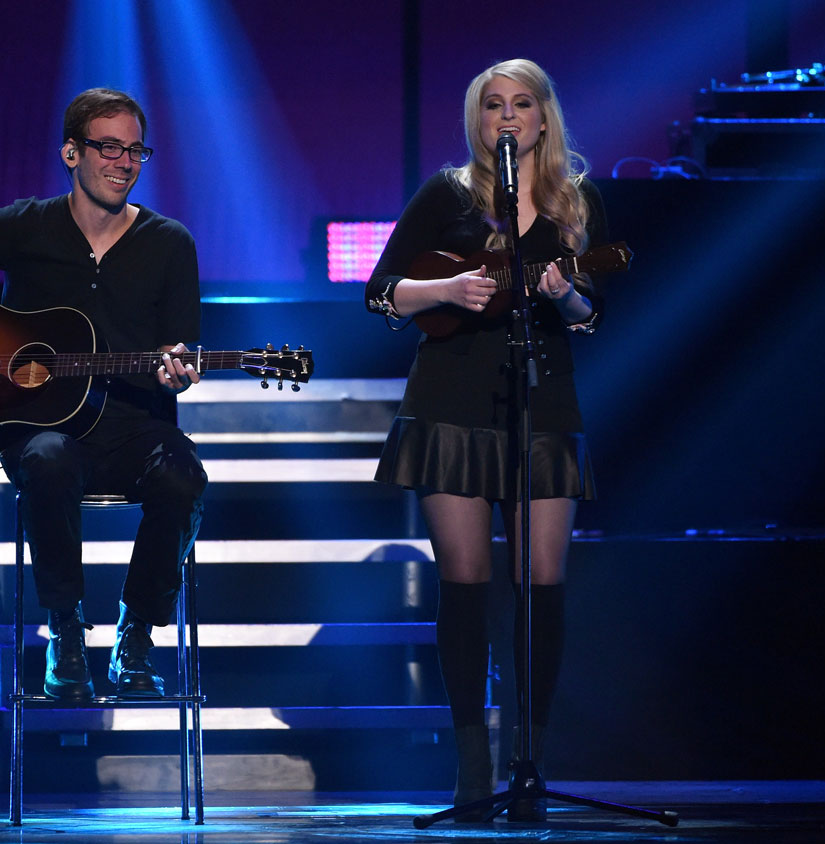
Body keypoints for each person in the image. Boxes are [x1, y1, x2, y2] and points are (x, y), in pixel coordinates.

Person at [0, 88, 207, 700]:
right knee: (48, 459)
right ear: (71, 152)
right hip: (40, 428)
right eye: (109, 146)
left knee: (184, 478)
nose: (124, 161)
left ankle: (135, 636)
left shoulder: (171, 243)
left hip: (135, 426)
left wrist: (178, 370)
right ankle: (65, 633)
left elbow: (178, 351)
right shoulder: (26, 225)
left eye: (136, 150)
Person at [364, 59, 607, 818]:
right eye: (491, 105)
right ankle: (472, 763)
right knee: (465, 585)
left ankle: (528, 757)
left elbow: (593, 312)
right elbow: (379, 291)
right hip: (451, 400)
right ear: (479, 120)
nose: (506, 117)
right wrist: (445, 291)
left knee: (540, 585)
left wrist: (567, 295)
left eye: (520, 104)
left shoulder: (576, 200)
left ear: (543, 119)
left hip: (542, 402)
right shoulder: (448, 194)